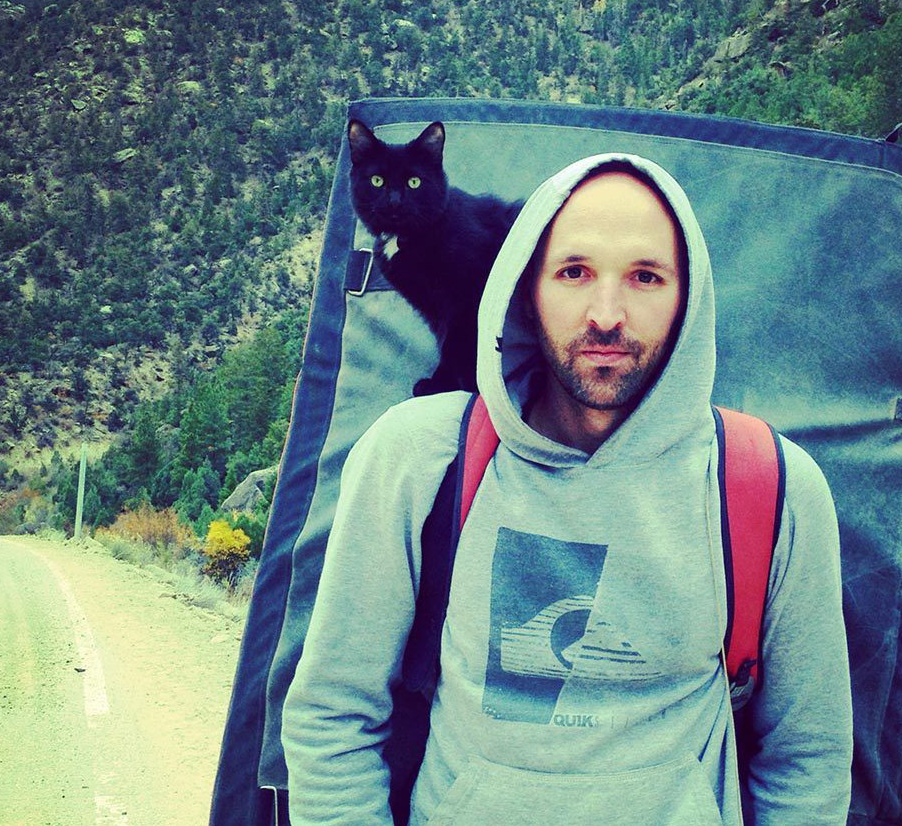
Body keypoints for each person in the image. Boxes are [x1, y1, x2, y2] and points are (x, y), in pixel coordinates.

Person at [282, 154, 852, 826]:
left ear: (688, 299)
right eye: (574, 272)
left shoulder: (769, 487)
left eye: (645, 276)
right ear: (526, 289)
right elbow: (330, 718)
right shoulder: (418, 456)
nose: (606, 314)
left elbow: (808, 759)